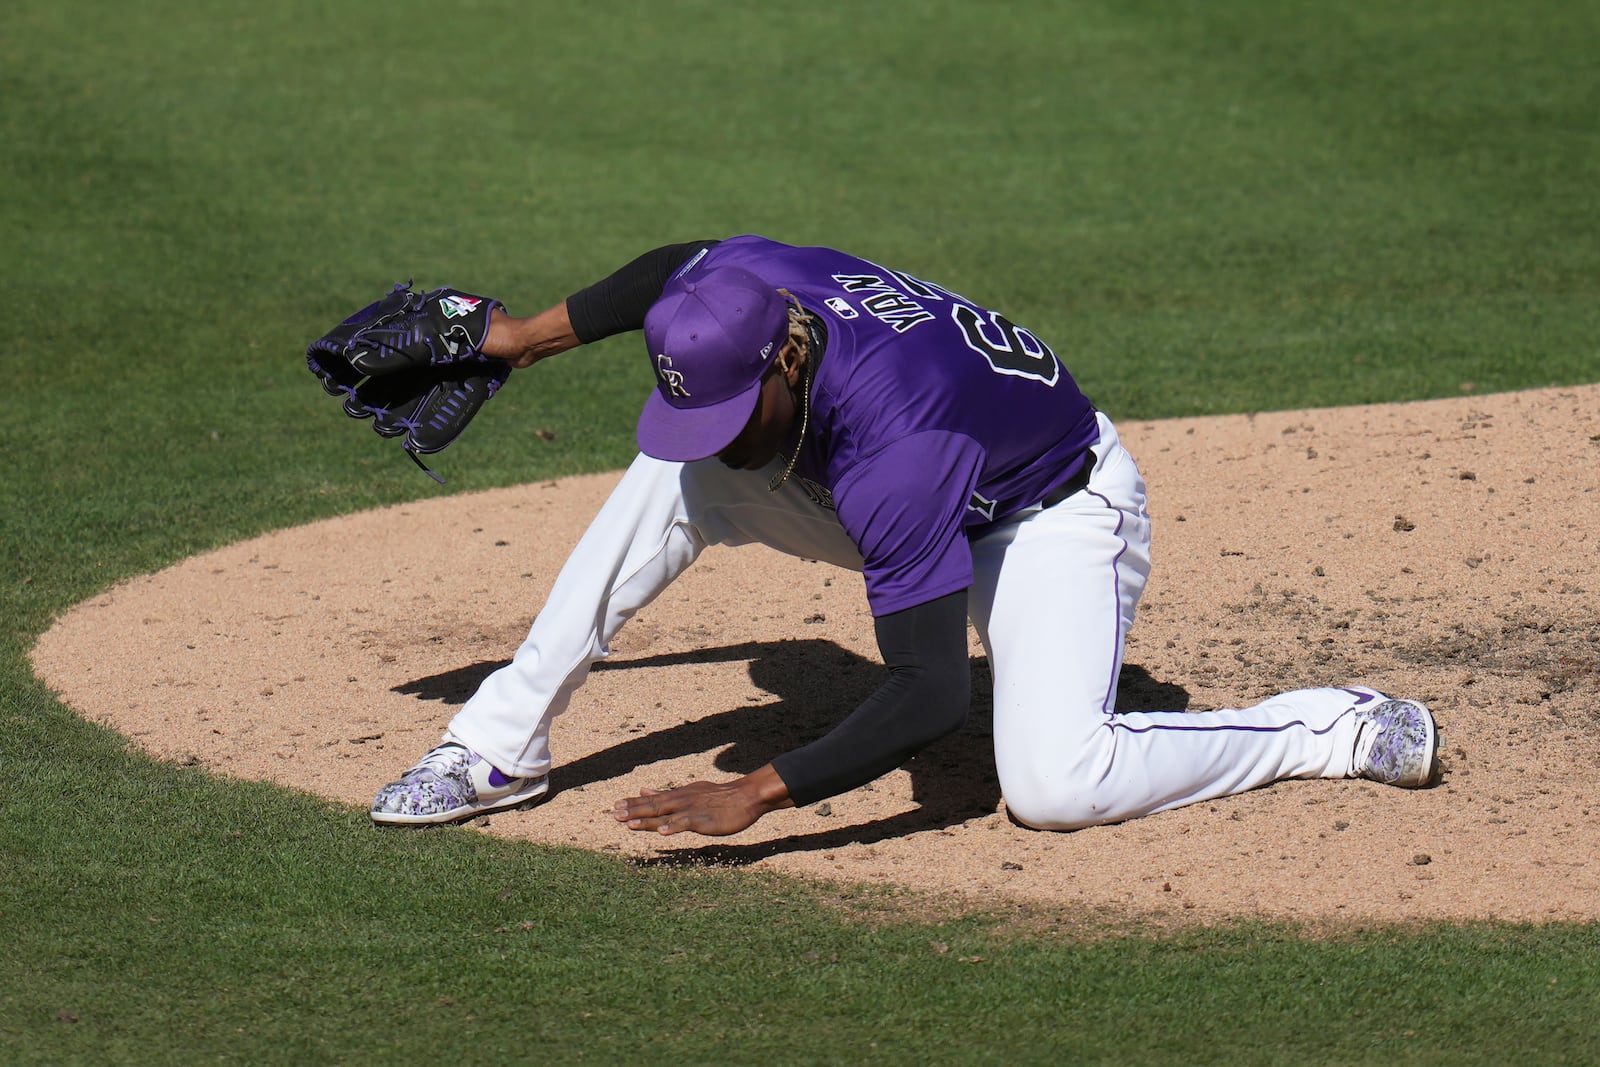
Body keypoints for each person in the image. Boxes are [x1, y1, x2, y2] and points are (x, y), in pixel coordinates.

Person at [368, 234, 1438, 836]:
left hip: (1050, 512)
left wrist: (758, 789)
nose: (721, 441)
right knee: (670, 477)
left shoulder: (896, 452)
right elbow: (673, 270)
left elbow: (930, 692)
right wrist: (519, 342)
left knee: (1056, 784)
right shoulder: (749, 294)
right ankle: (496, 746)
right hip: (916, 466)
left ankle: (1329, 728)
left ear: (784, 364)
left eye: (733, 417)